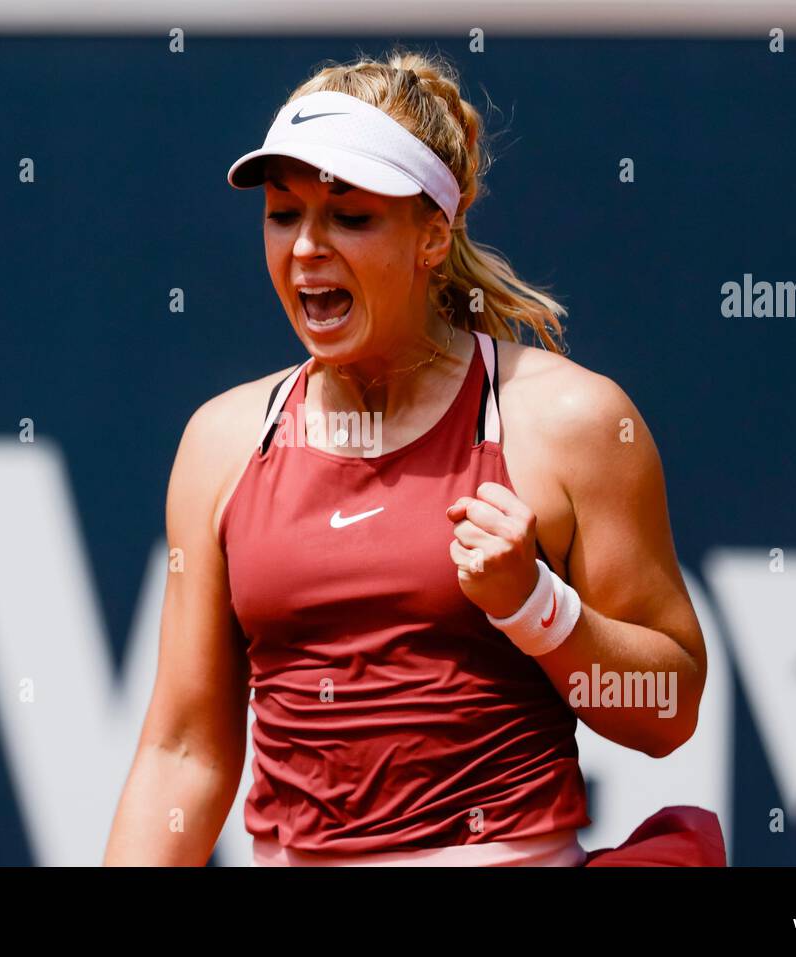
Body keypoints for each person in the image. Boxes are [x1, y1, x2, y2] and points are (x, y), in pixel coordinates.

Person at [103, 47, 722, 867]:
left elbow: (668, 712)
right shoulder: (220, 442)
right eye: (283, 214)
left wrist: (537, 607)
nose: (305, 248)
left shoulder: (573, 421)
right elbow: (183, 751)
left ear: (433, 235)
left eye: (350, 217)